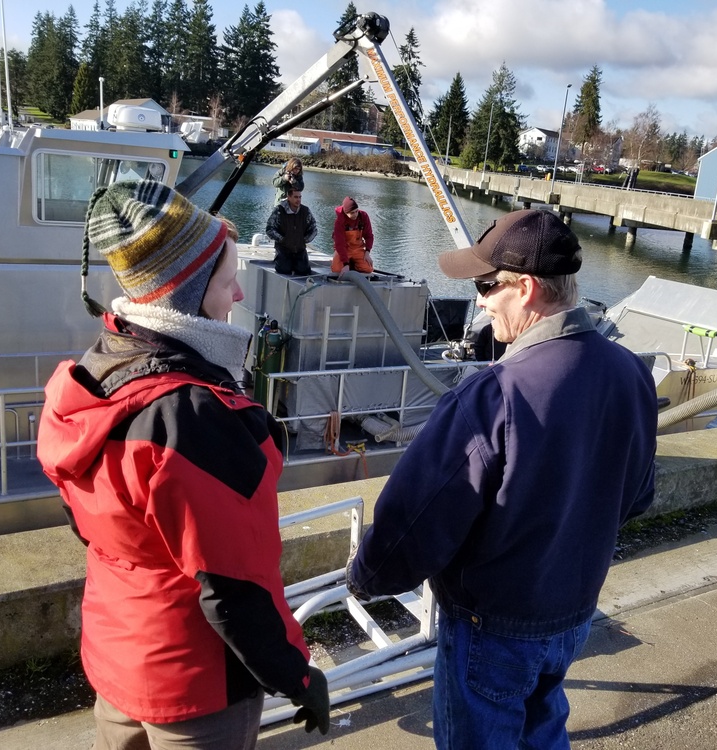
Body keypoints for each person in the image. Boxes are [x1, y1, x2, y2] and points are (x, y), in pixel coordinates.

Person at [347, 209, 658, 749]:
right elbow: (636, 497)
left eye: (488, 286)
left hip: (491, 625)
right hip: (575, 613)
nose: (481, 300)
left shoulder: (493, 396)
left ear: (528, 288)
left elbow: (413, 521)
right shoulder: (631, 372)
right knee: (544, 728)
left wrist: (366, 577)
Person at [36, 179, 329, 749]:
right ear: (185, 296)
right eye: (227, 279)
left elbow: (88, 523)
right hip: (196, 687)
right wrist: (294, 674)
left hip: (118, 659)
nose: (239, 295)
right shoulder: (196, 418)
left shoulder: (92, 380)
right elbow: (234, 586)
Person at [266, 187, 317, 275]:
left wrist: (304, 240)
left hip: (300, 249)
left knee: (304, 271)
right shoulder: (279, 210)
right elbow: (269, 229)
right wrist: (282, 239)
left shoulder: (306, 211)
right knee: (283, 270)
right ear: (289, 197)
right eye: (295, 197)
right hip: (283, 249)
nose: (298, 200)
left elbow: (314, 229)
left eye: (300, 197)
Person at [331, 196, 374, 274]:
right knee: (336, 270)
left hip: (358, 248)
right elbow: (340, 244)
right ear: (345, 212)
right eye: (352, 213)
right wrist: (345, 264)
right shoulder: (339, 222)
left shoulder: (363, 216)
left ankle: (354, 264)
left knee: (368, 269)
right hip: (344, 249)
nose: (355, 214)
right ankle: (348, 263)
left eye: (356, 211)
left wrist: (367, 252)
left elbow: (369, 235)